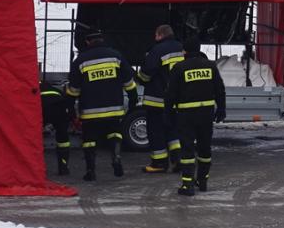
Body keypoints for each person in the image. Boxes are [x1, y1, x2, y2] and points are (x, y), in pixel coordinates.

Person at [65, 26, 136, 182]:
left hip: (90, 111)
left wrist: (70, 110)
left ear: (87, 41)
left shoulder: (81, 61)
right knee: (115, 134)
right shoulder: (116, 56)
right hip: (114, 108)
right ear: (102, 39)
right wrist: (133, 101)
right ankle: (116, 157)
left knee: (89, 140)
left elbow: (73, 90)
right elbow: (129, 82)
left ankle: (91, 171)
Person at [164, 38, 226, 197]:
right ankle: (203, 181)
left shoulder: (179, 68)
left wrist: (168, 112)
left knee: (187, 150)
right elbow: (219, 89)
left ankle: (187, 185)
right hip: (206, 115)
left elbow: (171, 94)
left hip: (186, 116)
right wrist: (221, 108)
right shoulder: (211, 66)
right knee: (205, 148)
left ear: (185, 51)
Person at [134, 24, 186, 174]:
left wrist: (139, 78)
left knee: (156, 131)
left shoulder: (157, 50)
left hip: (157, 100)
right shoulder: (181, 48)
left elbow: (146, 74)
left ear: (160, 35)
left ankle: (159, 163)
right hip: (176, 100)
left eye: (156, 35)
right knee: (173, 131)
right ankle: (178, 160)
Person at [40, 79, 74, 177]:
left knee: (34, 135)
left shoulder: (32, 86)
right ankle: (63, 167)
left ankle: (35, 167)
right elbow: (68, 103)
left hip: (42, 106)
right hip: (60, 107)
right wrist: (71, 118)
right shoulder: (54, 89)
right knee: (63, 138)